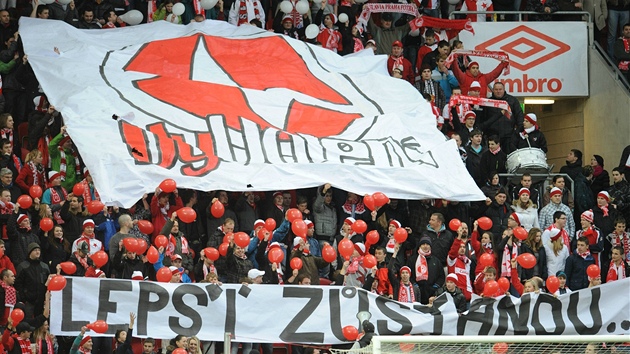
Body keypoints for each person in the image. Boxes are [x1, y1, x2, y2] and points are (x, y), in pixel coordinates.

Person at [14, 243, 50, 318]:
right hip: (28, 301)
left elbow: (48, 282)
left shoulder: (45, 266)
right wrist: (24, 298)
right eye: (35, 250)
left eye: (39, 250)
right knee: (28, 322)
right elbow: (18, 284)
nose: (37, 252)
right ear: (30, 252)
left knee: (40, 323)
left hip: (41, 301)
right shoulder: (23, 266)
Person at [446, 224, 473, 301]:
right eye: (460, 247)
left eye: (463, 247)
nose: (462, 249)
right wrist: (459, 237)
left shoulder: (467, 262)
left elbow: (468, 280)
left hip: (468, 297)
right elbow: (453, 252)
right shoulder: (452, 260)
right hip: (455, 297)